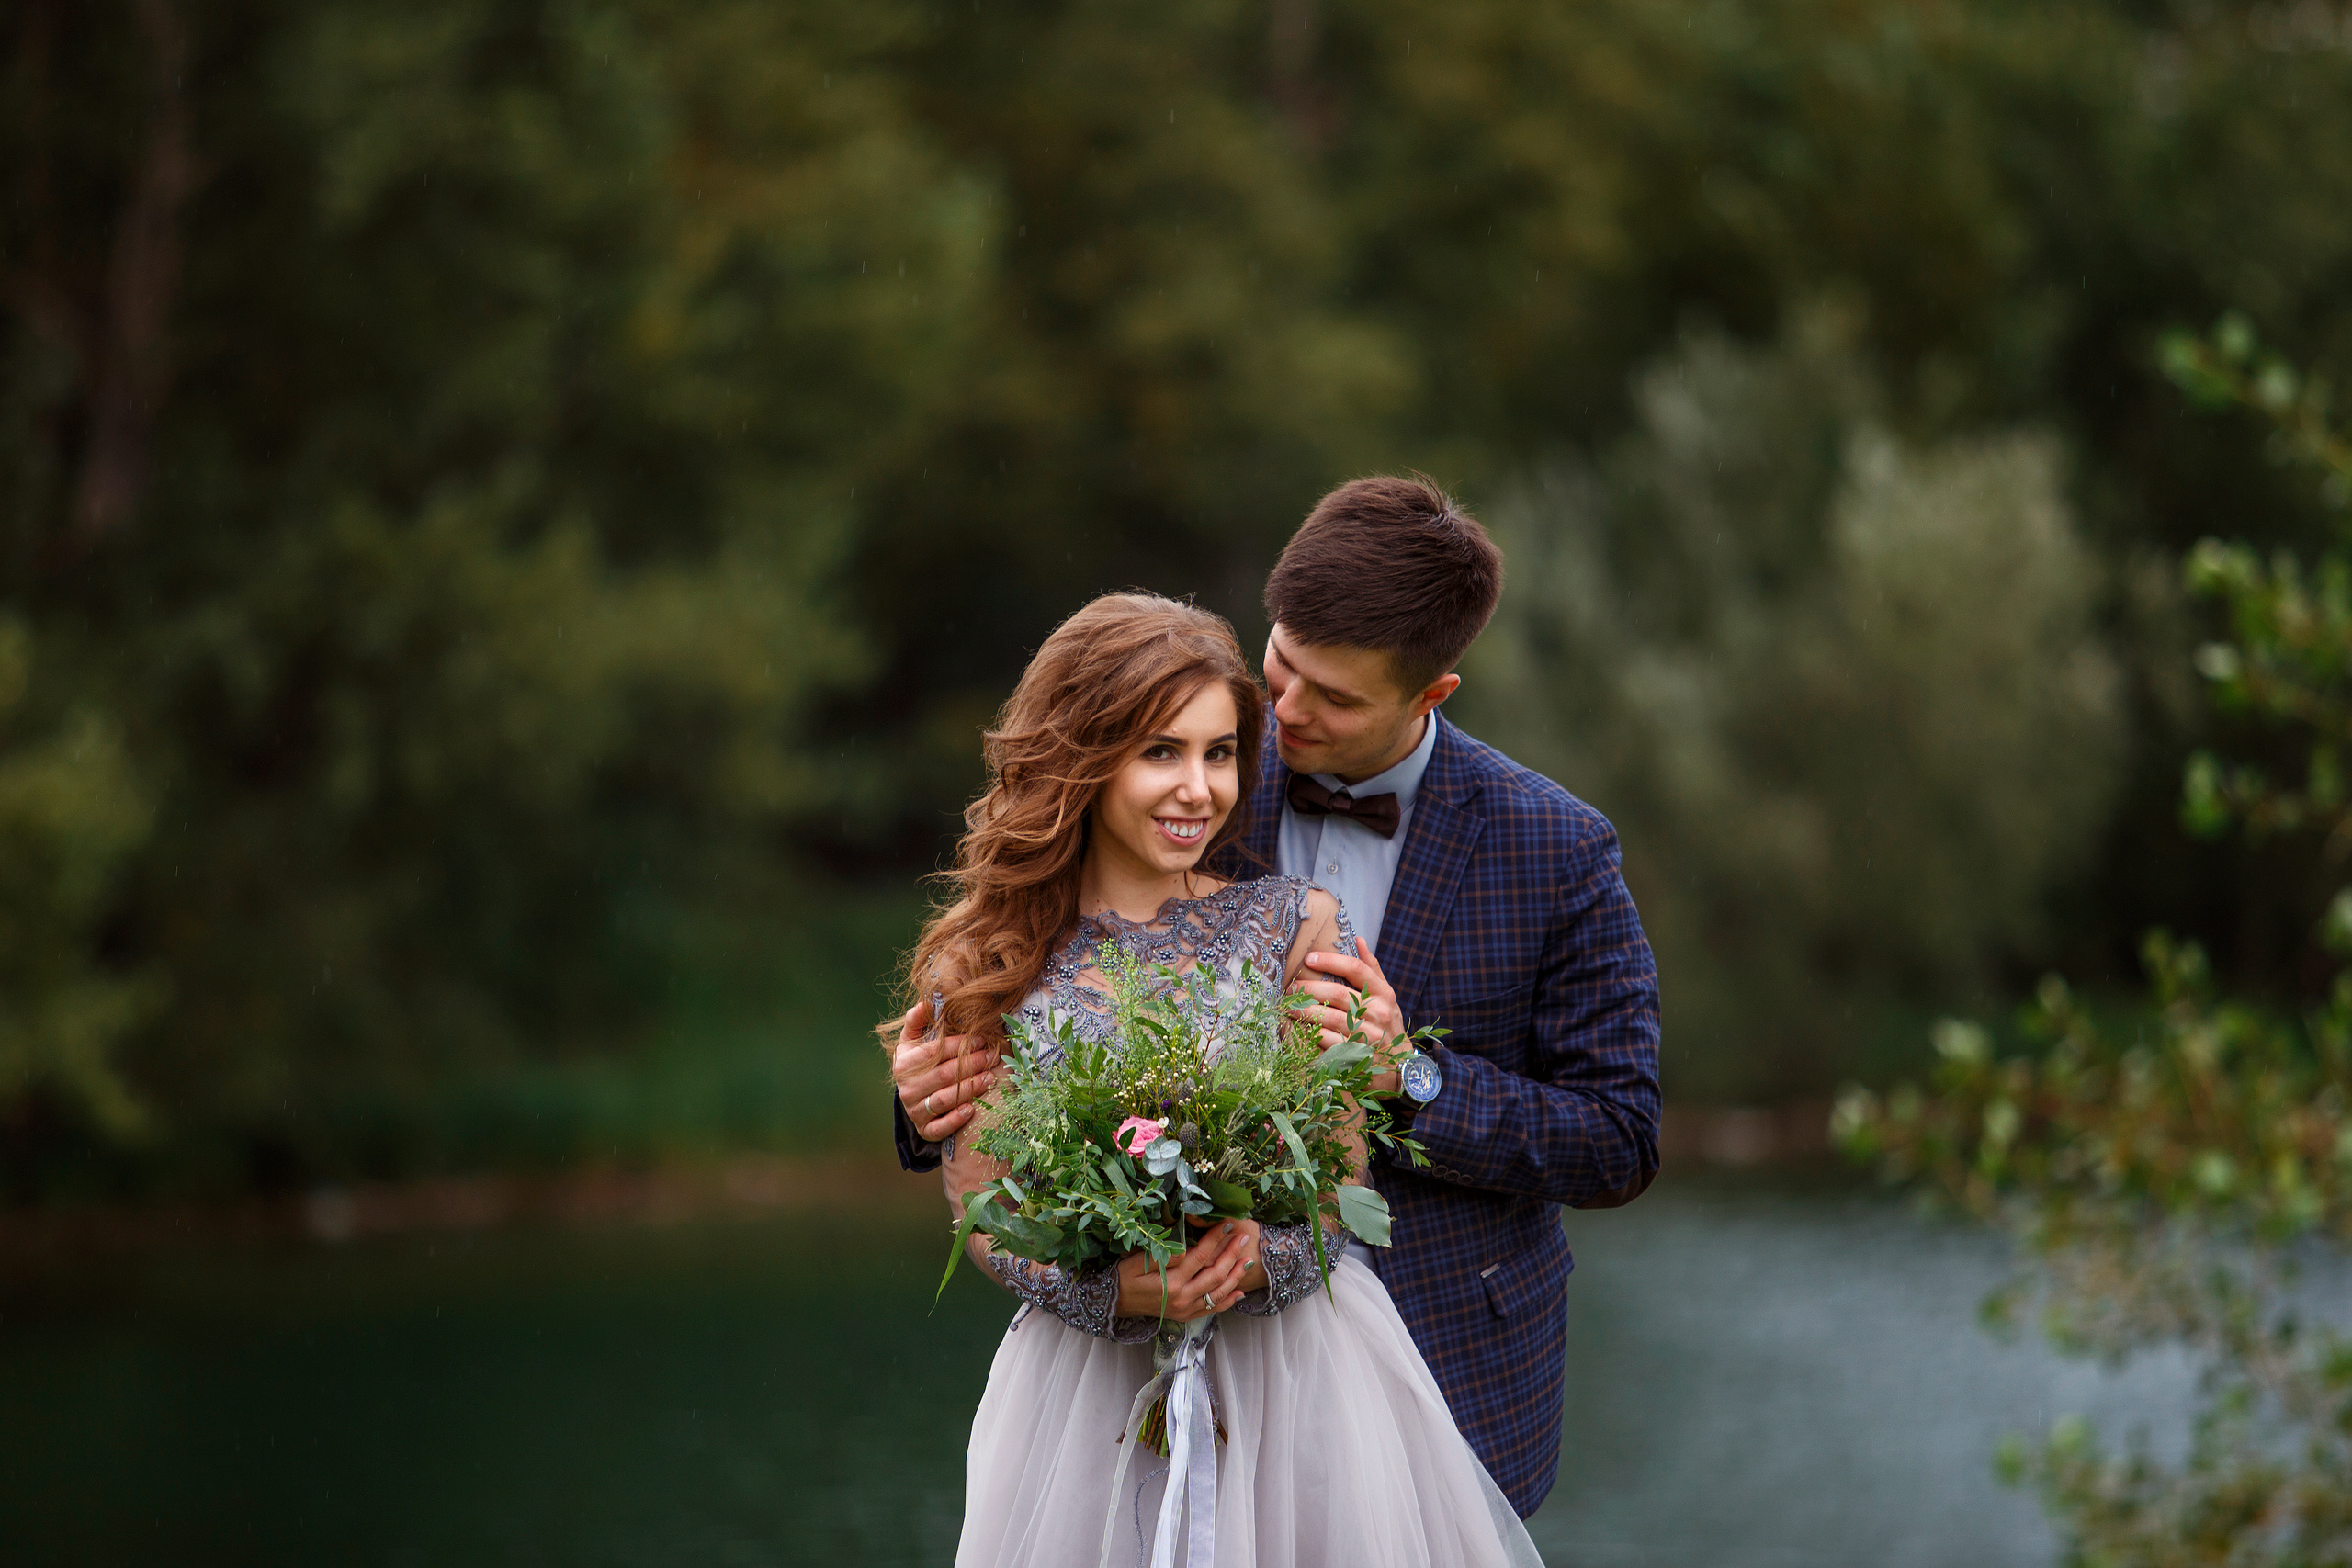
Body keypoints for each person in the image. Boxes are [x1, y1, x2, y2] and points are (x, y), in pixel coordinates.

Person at [895, 476, 1664, 1521]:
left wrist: (1410, 1078)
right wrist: (927, 1091)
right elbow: (1030, 1017)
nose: (1283, 716)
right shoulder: (1194, 757)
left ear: (1429, 695)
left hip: (1441, 1355)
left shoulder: (1554, 848)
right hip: (1116, 1387)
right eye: (1280, 666)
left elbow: (1618, 1138)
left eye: (1333, 699)